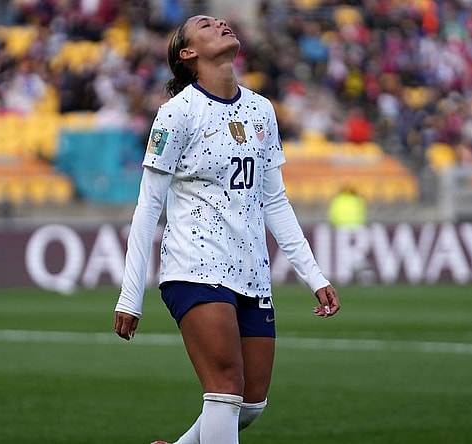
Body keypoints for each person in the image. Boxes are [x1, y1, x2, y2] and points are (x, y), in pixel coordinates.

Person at [113, 14, 340, 444]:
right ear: (189, 53)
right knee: (224, 389)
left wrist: (314, 275)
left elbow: (275, 201)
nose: (220, 22)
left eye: (218, 20)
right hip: (194, 268)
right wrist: (131, 295)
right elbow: (148, 208)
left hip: (251, 273)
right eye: (205, 24)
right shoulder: (177, 114)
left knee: (251, 402)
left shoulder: (261, 110)